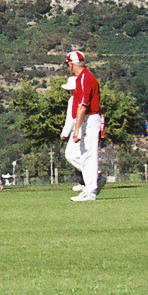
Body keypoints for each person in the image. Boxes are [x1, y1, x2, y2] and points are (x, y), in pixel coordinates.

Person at [62, 50, 103, 202]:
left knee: (89, 155)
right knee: (84, 155)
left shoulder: (85, 78)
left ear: (71, 64)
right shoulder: (82, 78)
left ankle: (91, 191)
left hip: (89, 119)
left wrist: (77, 129)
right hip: (87, 119)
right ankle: (89, 187)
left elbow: (83, 106)